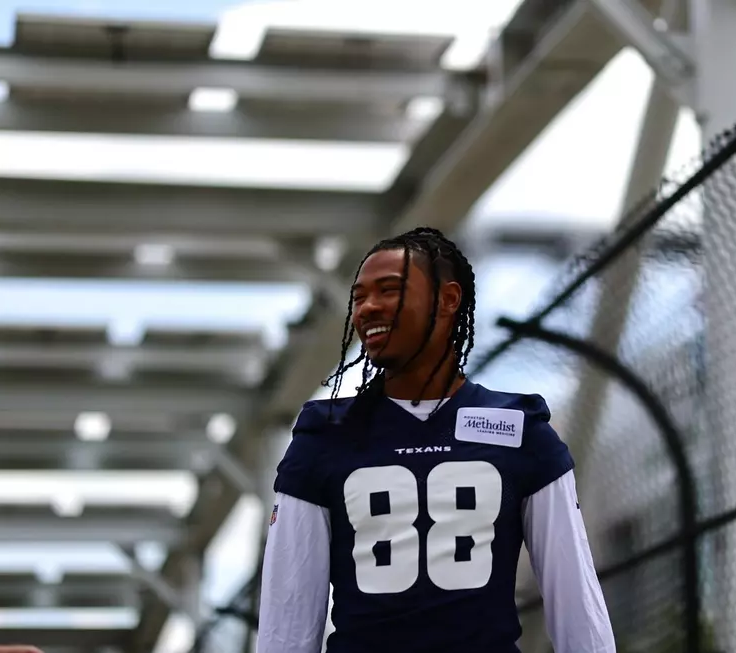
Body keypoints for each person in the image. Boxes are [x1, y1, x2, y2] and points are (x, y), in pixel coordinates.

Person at [257, 227, 615, 653]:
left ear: (448, 300)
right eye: (358, 297)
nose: (368, 308)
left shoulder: (520, 429)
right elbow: (288, 614)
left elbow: (574, 595)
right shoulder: (324, 436)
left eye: (388, 290)